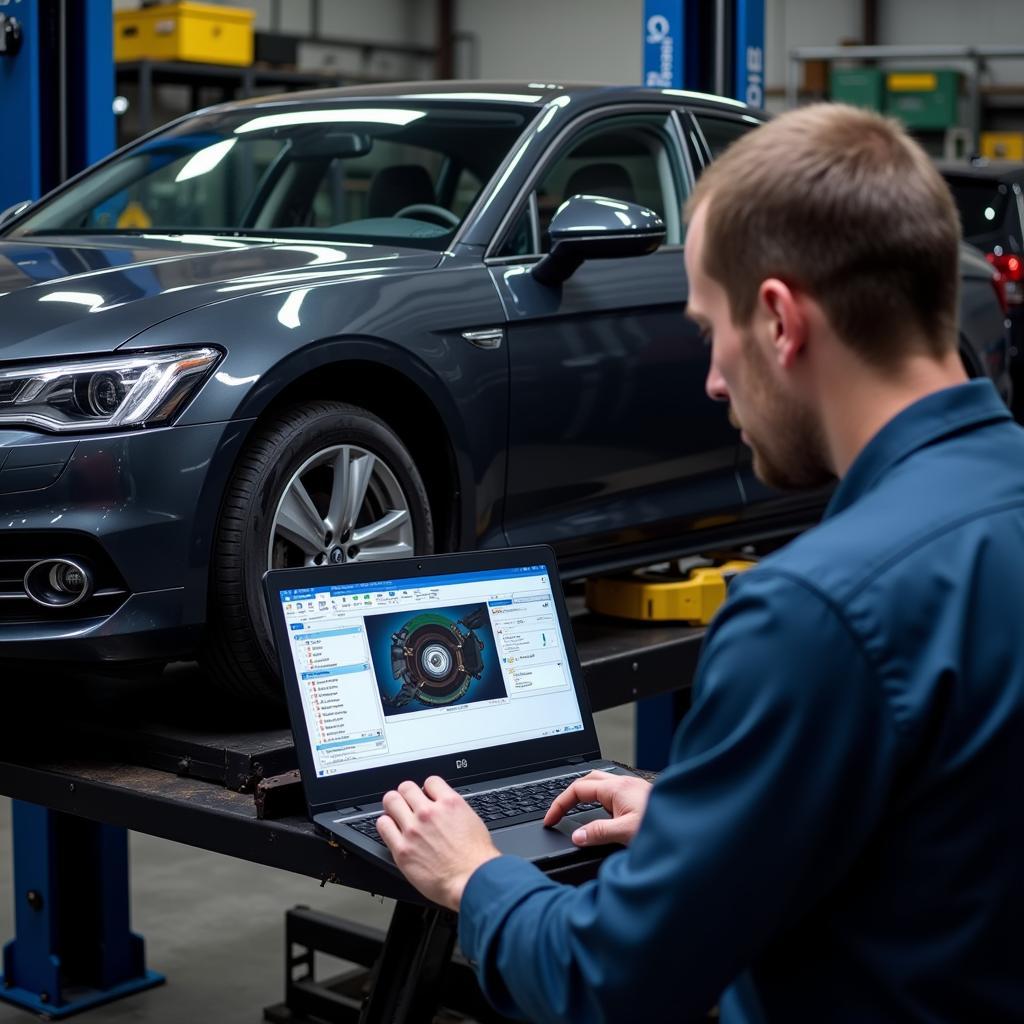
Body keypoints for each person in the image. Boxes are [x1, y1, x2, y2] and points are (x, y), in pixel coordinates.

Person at [375, 104, 1024, 1022]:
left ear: (778, 321)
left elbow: (606, 981)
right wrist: (708, 818)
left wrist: (474, 877)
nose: (715, 380)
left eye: (708, 330)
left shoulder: (813, 612)